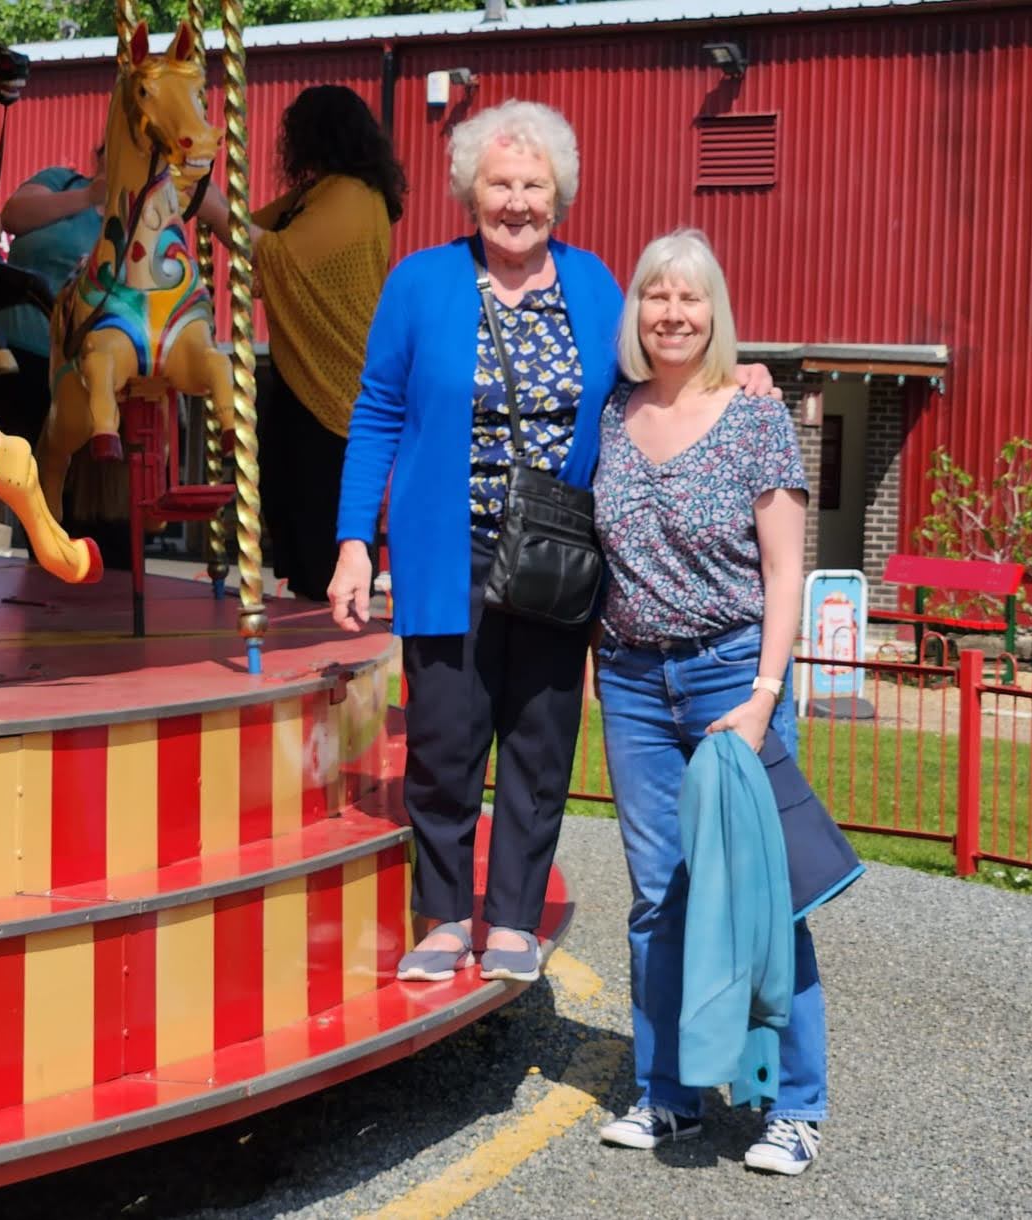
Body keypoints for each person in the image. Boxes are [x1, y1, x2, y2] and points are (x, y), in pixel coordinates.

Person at [330, 100, 776, 985]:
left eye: (533, 185)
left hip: (556, 555)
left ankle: (511, 921)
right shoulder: (420, 282)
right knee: (445, 741)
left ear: (558, 195)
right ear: (470, 192)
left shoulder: (593, 284)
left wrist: (735, 374)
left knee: (538, 743)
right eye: (499, 184)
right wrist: (353, 540)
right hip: (446, 551)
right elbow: (376, 412)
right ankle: (443, 916)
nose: (516, 202)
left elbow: (656, 364)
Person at [589, 229, 828, 1175]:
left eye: (689, 298)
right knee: (659, 899)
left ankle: (792, 1106)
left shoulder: (754, 414)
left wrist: (765, 694)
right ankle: (668, 1096)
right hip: (632, 682)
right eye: (656, 296)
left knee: (766, 894)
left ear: (714, 313)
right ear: (636, 312)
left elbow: (784, 569)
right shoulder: (611, 414)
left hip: (733, 674)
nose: (672, 314)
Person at [198, 85, 402, 600]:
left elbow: (276, 254)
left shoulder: (353, 195)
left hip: (336, 381)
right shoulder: (320, 193)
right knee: (284, 491)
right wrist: (206, 195)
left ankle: (327, 605)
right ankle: (307, 593)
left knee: (318, 506)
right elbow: (254, 227)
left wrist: (210, 203)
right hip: (301, 373)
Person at [0, 147, 106, 446]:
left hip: (76, 366)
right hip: (11, 347)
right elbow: (12, 216)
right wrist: (90, 196)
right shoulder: (62, 181)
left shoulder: (135, 220)